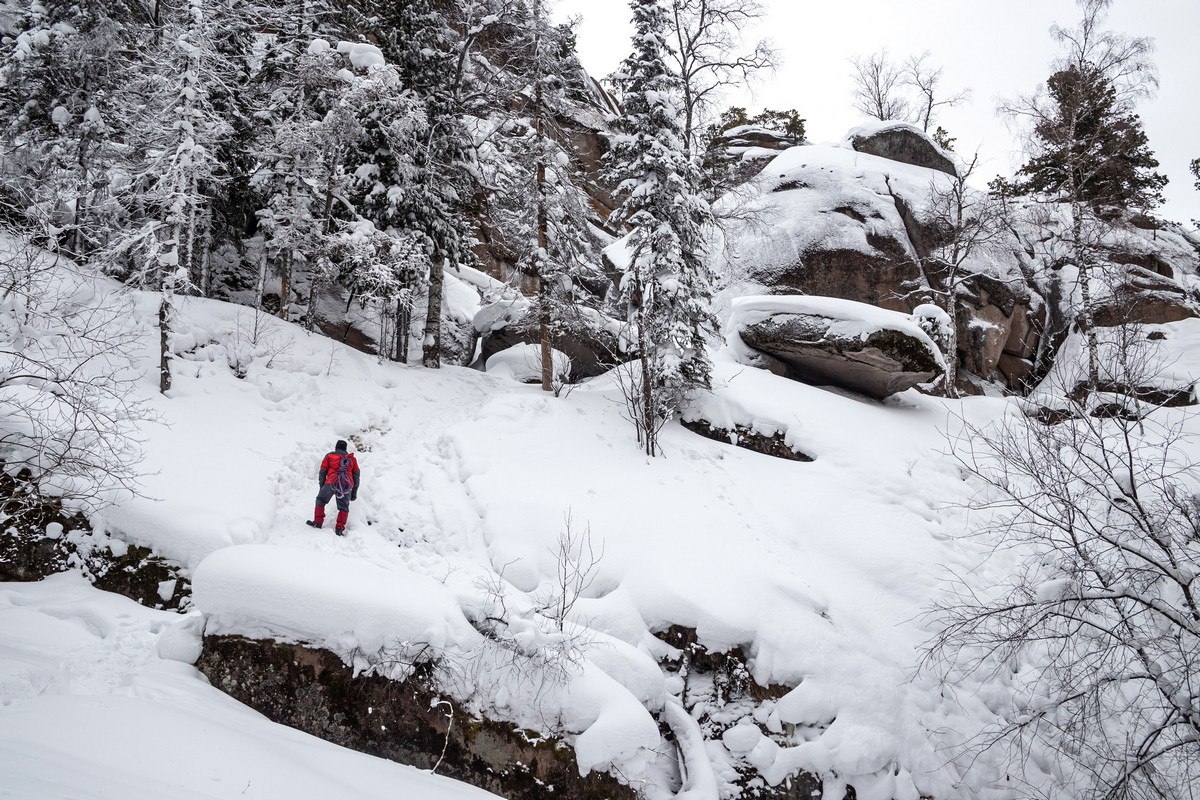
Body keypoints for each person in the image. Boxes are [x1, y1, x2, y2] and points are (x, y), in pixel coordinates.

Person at [306, 440, 360, 535]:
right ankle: (339, 528)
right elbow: (356, 475)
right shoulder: (352, 460)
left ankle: (318, 522)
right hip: (346, 484)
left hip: (331, 481)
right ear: (345, 449)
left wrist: (322, 486)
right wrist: (354, 491)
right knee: (344, 507)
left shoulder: (330, 456)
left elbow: (323, 472)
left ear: (336, 447)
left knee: (321, 500)